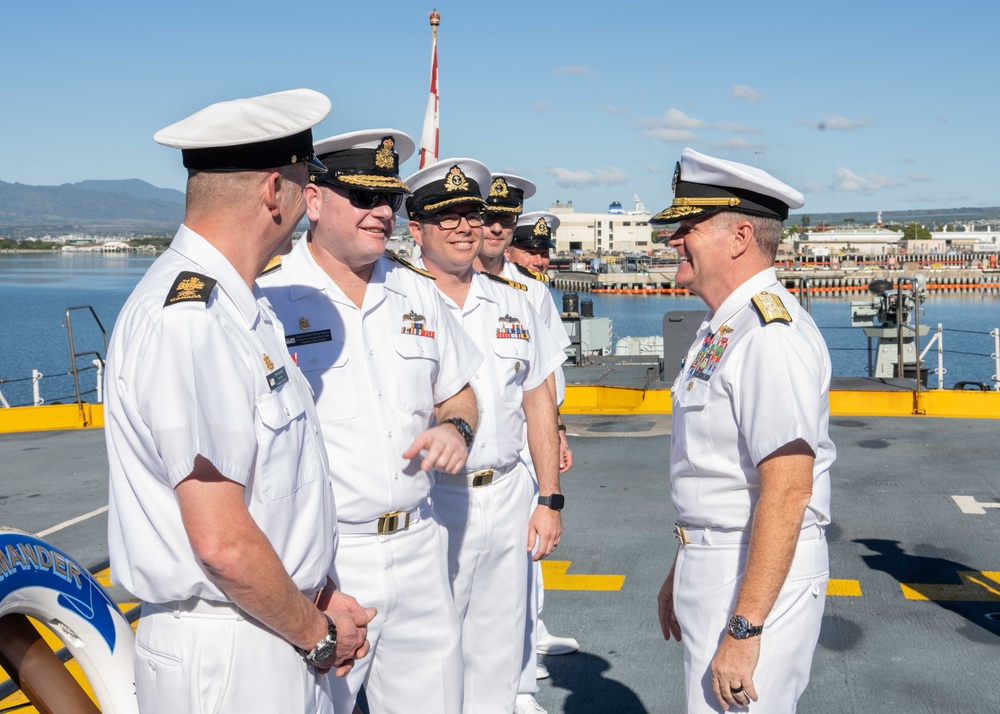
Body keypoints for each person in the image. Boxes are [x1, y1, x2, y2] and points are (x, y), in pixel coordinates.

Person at [105, 89, 375, 714]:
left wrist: (320, 595)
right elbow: (221, 542)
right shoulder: (191, 321)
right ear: (273, 192)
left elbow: (274, 494)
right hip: (231, 651)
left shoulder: (241, 309)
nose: (309, 206)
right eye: (307, 187)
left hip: (269, 625)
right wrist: (317, 638)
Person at [258, 131, 481, 714]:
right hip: (325, 563)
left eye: (391, 199)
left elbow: (459, 393)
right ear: (313, 199)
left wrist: (456, 430)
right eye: (362, 195)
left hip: (420, 547)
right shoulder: (268, 297)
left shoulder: (417, 291)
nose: (383, 212)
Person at [653, 148, 835, 713]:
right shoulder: (726, 326)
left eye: (687, 228)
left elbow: (788, 488)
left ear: (737, 238)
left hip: (752, 580)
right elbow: (719, 472)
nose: (672, 241)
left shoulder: (767, 335)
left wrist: (745, 629)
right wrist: (682, 566)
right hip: (720, 563)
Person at [404, 159, 565, 714]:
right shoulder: (396, 302)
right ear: (416, 228)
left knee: (499, 656)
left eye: (471, 214)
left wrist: (549, 498)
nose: (464, 226)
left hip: (508, 492)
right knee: (431, 660)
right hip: (432, 501)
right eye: (444, 215)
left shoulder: (515, 301)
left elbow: (539, 401)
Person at [479, 194, 579, 714]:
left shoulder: (527, 295)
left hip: (517, 453)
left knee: (519, 569)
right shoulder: (430, 288)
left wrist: (556, 432)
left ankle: (519, 685)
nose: (496, 230)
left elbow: (544, 380)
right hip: (466, 464)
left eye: (505, 223)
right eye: (487, 220)